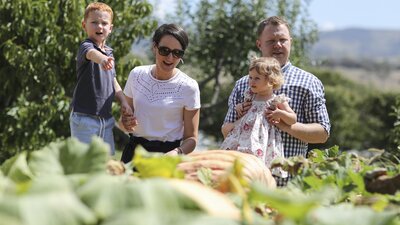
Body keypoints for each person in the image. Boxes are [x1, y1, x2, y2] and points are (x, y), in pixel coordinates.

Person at [222, 16, 331, 186]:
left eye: (282, 40)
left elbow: (322, 133)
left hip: (289, 182)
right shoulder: (243, 84)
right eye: (271, 41)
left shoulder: (309, 82)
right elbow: (226, 131)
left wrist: (285, 124)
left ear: (291, 42)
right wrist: (243, 118)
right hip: (245, 180)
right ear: (259, 44)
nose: (278, 45)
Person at [119, 23, 201, 163]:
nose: (170, 58)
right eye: (164, 50)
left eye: (177, 53)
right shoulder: (136, 75)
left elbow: (191, 139)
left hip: (167, 157)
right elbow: (123, 122)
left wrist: (177, 152)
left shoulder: (189, 87)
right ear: (154, 47)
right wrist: (125, 123)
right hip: (133, 153)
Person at [70, 2, 132, 155]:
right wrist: (103, 59)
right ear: (84, 25)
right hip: (84, 118)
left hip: (106, 119)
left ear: (110, 28)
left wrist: (123, 101)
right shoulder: (86, 46)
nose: (99, 27)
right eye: (94, 22)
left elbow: (113, 81)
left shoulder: (110, 52)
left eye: (104, 23)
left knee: (107, 163)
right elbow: (92, 54)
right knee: (84, 164)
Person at [221, 57, 296, 178]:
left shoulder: (276, 100)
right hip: (244, 136)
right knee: (239, 162)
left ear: (271, 81)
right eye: (250, 77)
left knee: (259, 167)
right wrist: (239, 107)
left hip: (263, 138)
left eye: (257, 78)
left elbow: (292, 119)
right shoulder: (250, 96)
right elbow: (244, 111)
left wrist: (280, 114)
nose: (251, 81)